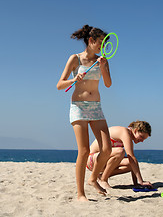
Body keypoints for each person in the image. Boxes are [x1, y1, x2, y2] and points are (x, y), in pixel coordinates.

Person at [57, 25, 112, 201]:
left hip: (96, 107)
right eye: (100, 43)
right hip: (78, 107)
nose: (102, 47)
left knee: (107, 149)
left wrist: (103, 67)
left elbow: (108, 84)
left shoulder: (102, 60)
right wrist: (74, 78)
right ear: (91, 41)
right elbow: (60, 84)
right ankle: (81, 194)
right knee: (84, 150)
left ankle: (93, 179)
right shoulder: (75, 59)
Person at [86, 120, 153, 189]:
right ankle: (103, 180)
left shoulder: (128, 136)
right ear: (135, 130)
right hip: (92, 159)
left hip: (102, 161)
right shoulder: (125, 133)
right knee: (120, 152)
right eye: (141, 137)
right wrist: (141, 181)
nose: (142, 141)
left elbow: (132, 162)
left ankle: (101, 176)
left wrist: (137, 184)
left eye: (144, 139)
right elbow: (132, 157)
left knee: (130, 164)